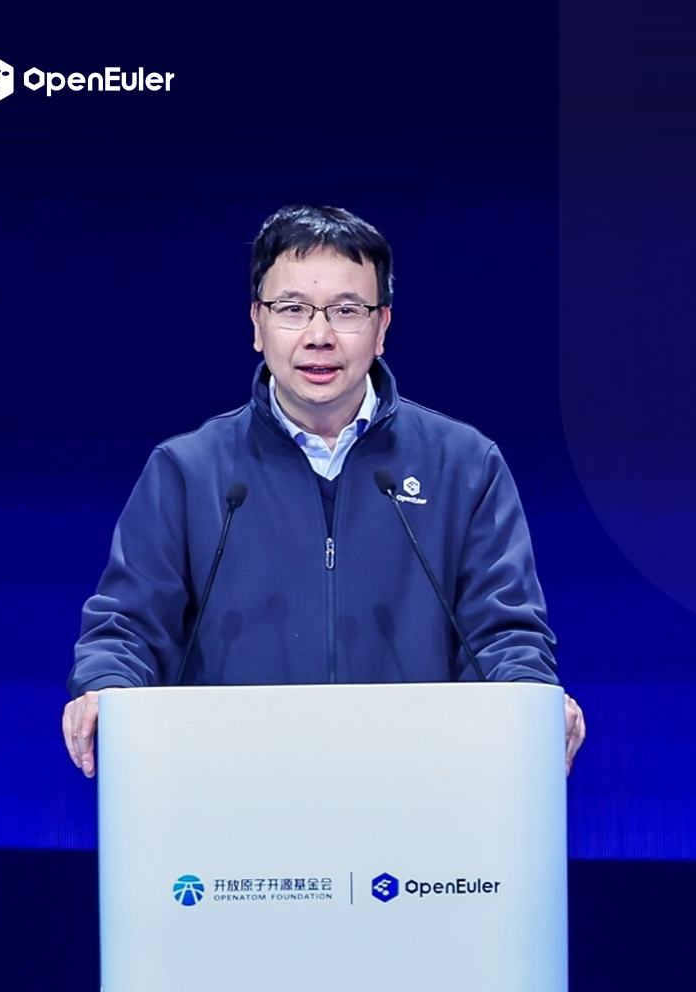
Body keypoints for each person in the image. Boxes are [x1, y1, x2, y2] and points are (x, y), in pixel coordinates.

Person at [62, 205, 585, 776]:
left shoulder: (463, 465)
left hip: (419, 785)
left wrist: (533, 699)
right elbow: (128, 628)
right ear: (256, 324)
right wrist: (105, 687)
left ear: (382, 327)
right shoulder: (187, 472)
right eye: (292, 310)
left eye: (347, 311)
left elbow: (505, 635)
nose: (319, 336)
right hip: (233, 785)